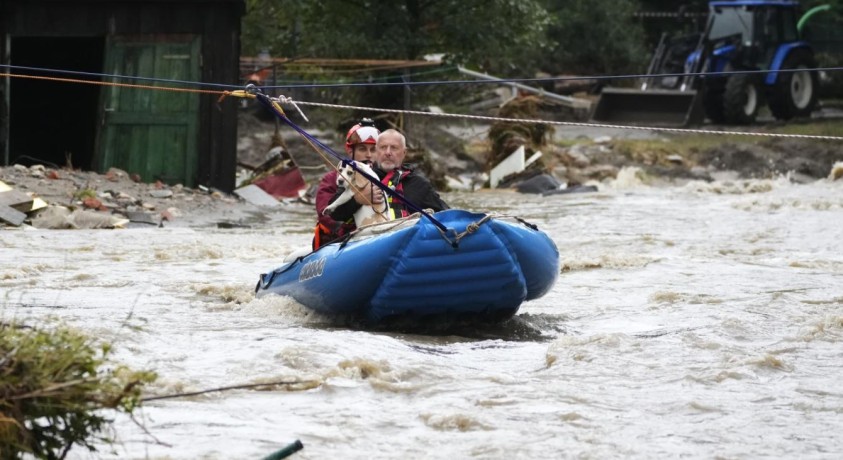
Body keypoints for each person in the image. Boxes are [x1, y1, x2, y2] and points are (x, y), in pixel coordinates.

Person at [327, 128, 448, 228]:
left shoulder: (419, 184)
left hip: (407, 244)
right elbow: (334, 214)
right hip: (365, 242)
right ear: (376, 151)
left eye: (394, 148)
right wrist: (359, 199)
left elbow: (446, 214)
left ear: (404, 153)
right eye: (383, 147)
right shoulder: (358, 176)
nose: (388, 152)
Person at [313, 118, 380, 249]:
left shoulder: (382, 178)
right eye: (362, 149)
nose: (368, 155)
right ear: (350, 151)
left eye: (373, 150)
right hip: (341, 242)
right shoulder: (332, 179)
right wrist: (357, 200)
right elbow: (324, 214)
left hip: (377, 237)